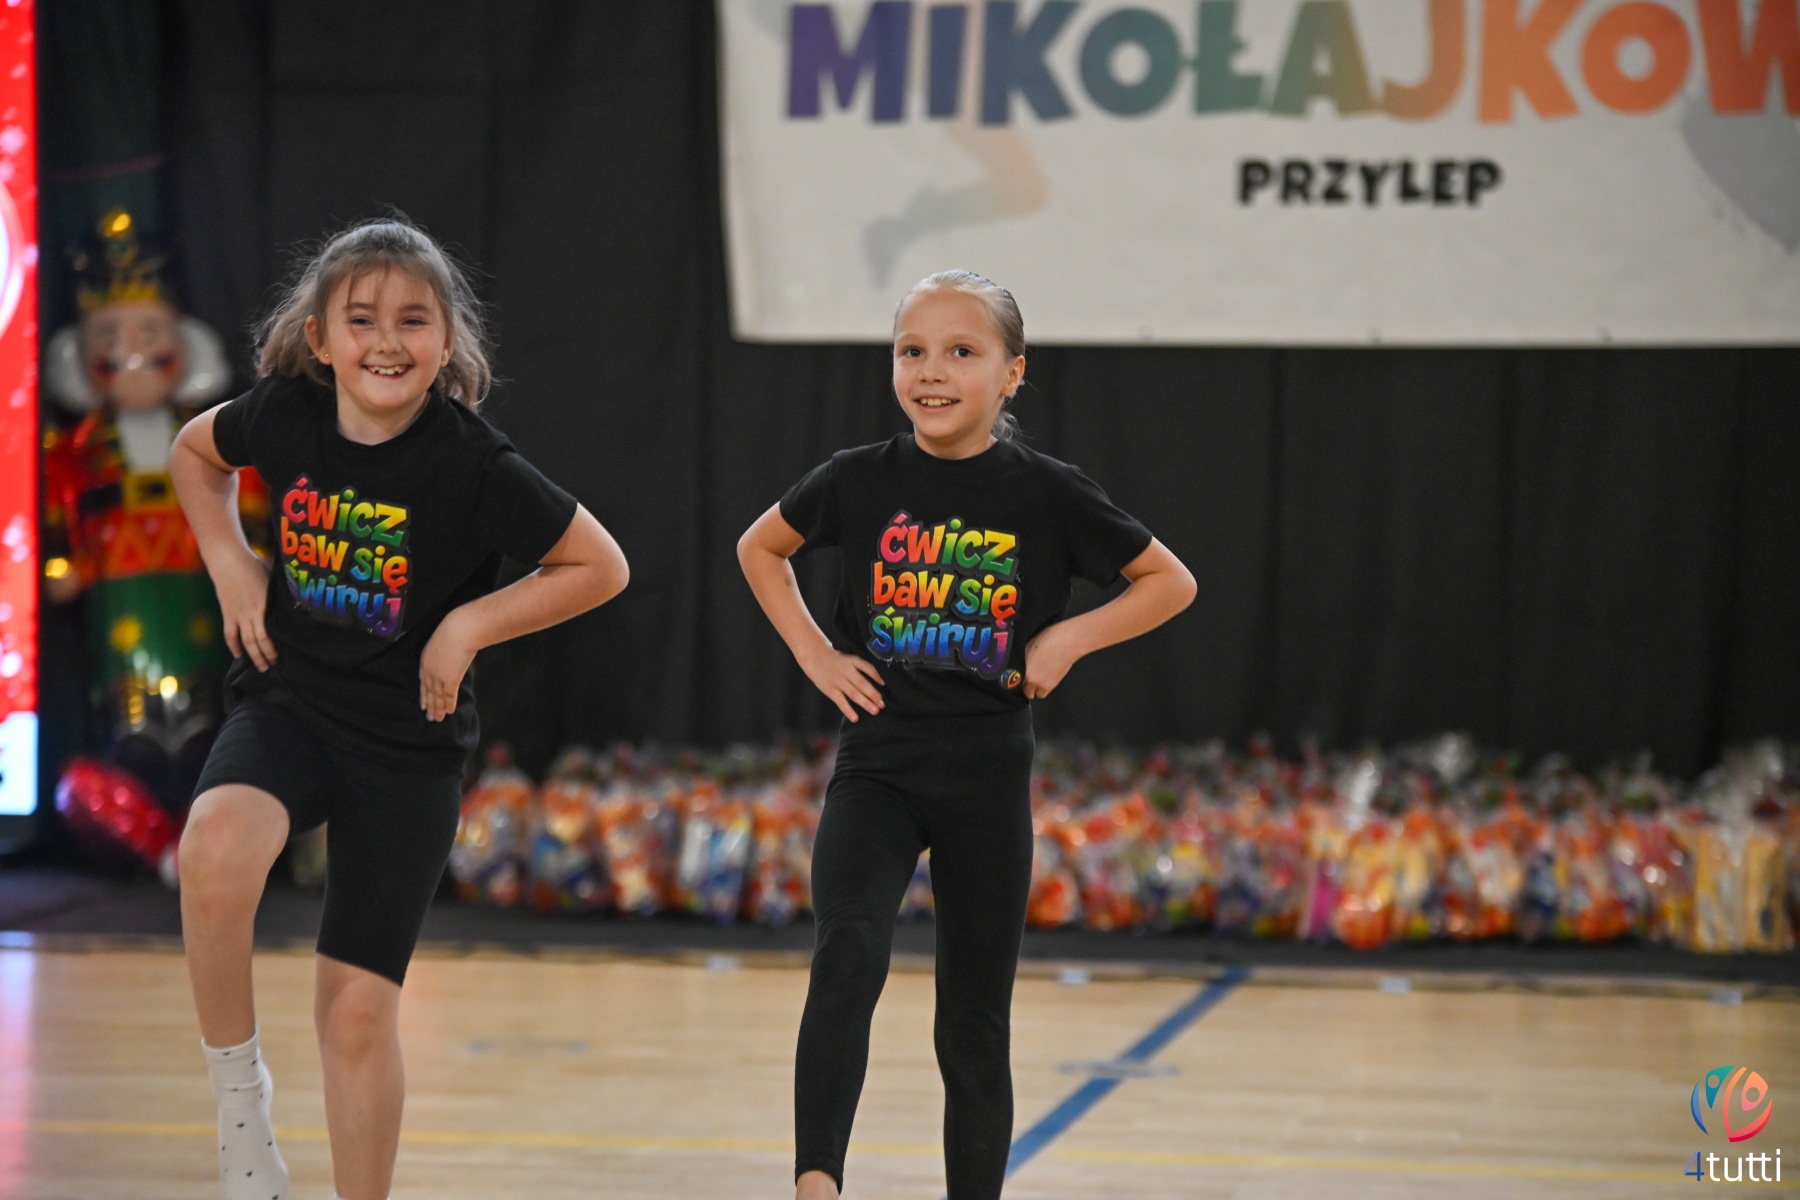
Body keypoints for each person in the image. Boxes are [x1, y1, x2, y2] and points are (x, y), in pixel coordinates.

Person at [169, 217, 629, 1200]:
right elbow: (193, 454)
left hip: (405, 748)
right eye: (363, 319)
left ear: (447, 342)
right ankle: (240, 1100)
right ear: (321, 337)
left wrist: (466, 627)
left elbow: (600, 565)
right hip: (291, 705)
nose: (387, 340)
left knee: (355, 1015)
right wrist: (232, 564)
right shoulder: (284, 415)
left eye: (414, 320)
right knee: (214, 847)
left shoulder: (473, 463)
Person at [738, 269, 1196, 1199]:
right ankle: (816, 1186)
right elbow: (761, 548)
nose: (931, 371)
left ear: (1012, 373)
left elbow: (1170, 583)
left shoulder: (1049, 493)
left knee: (974, 1024)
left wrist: (1068, 638)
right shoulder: (857, 478)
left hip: (987, 772)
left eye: (960, 351)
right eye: (911, 351)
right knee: (847, 957)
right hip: (879, 762)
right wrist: (819, 656)